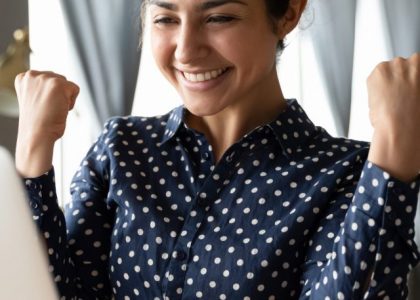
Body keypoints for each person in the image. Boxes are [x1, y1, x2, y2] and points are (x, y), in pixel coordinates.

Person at [14, 0, 420, 299]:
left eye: (219, 17)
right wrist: (33, 152)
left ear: (289, 13)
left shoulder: (348, 172)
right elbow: (55, 292)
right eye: (165, 18)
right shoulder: (121, 150)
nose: (186, 50)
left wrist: (395, 156)